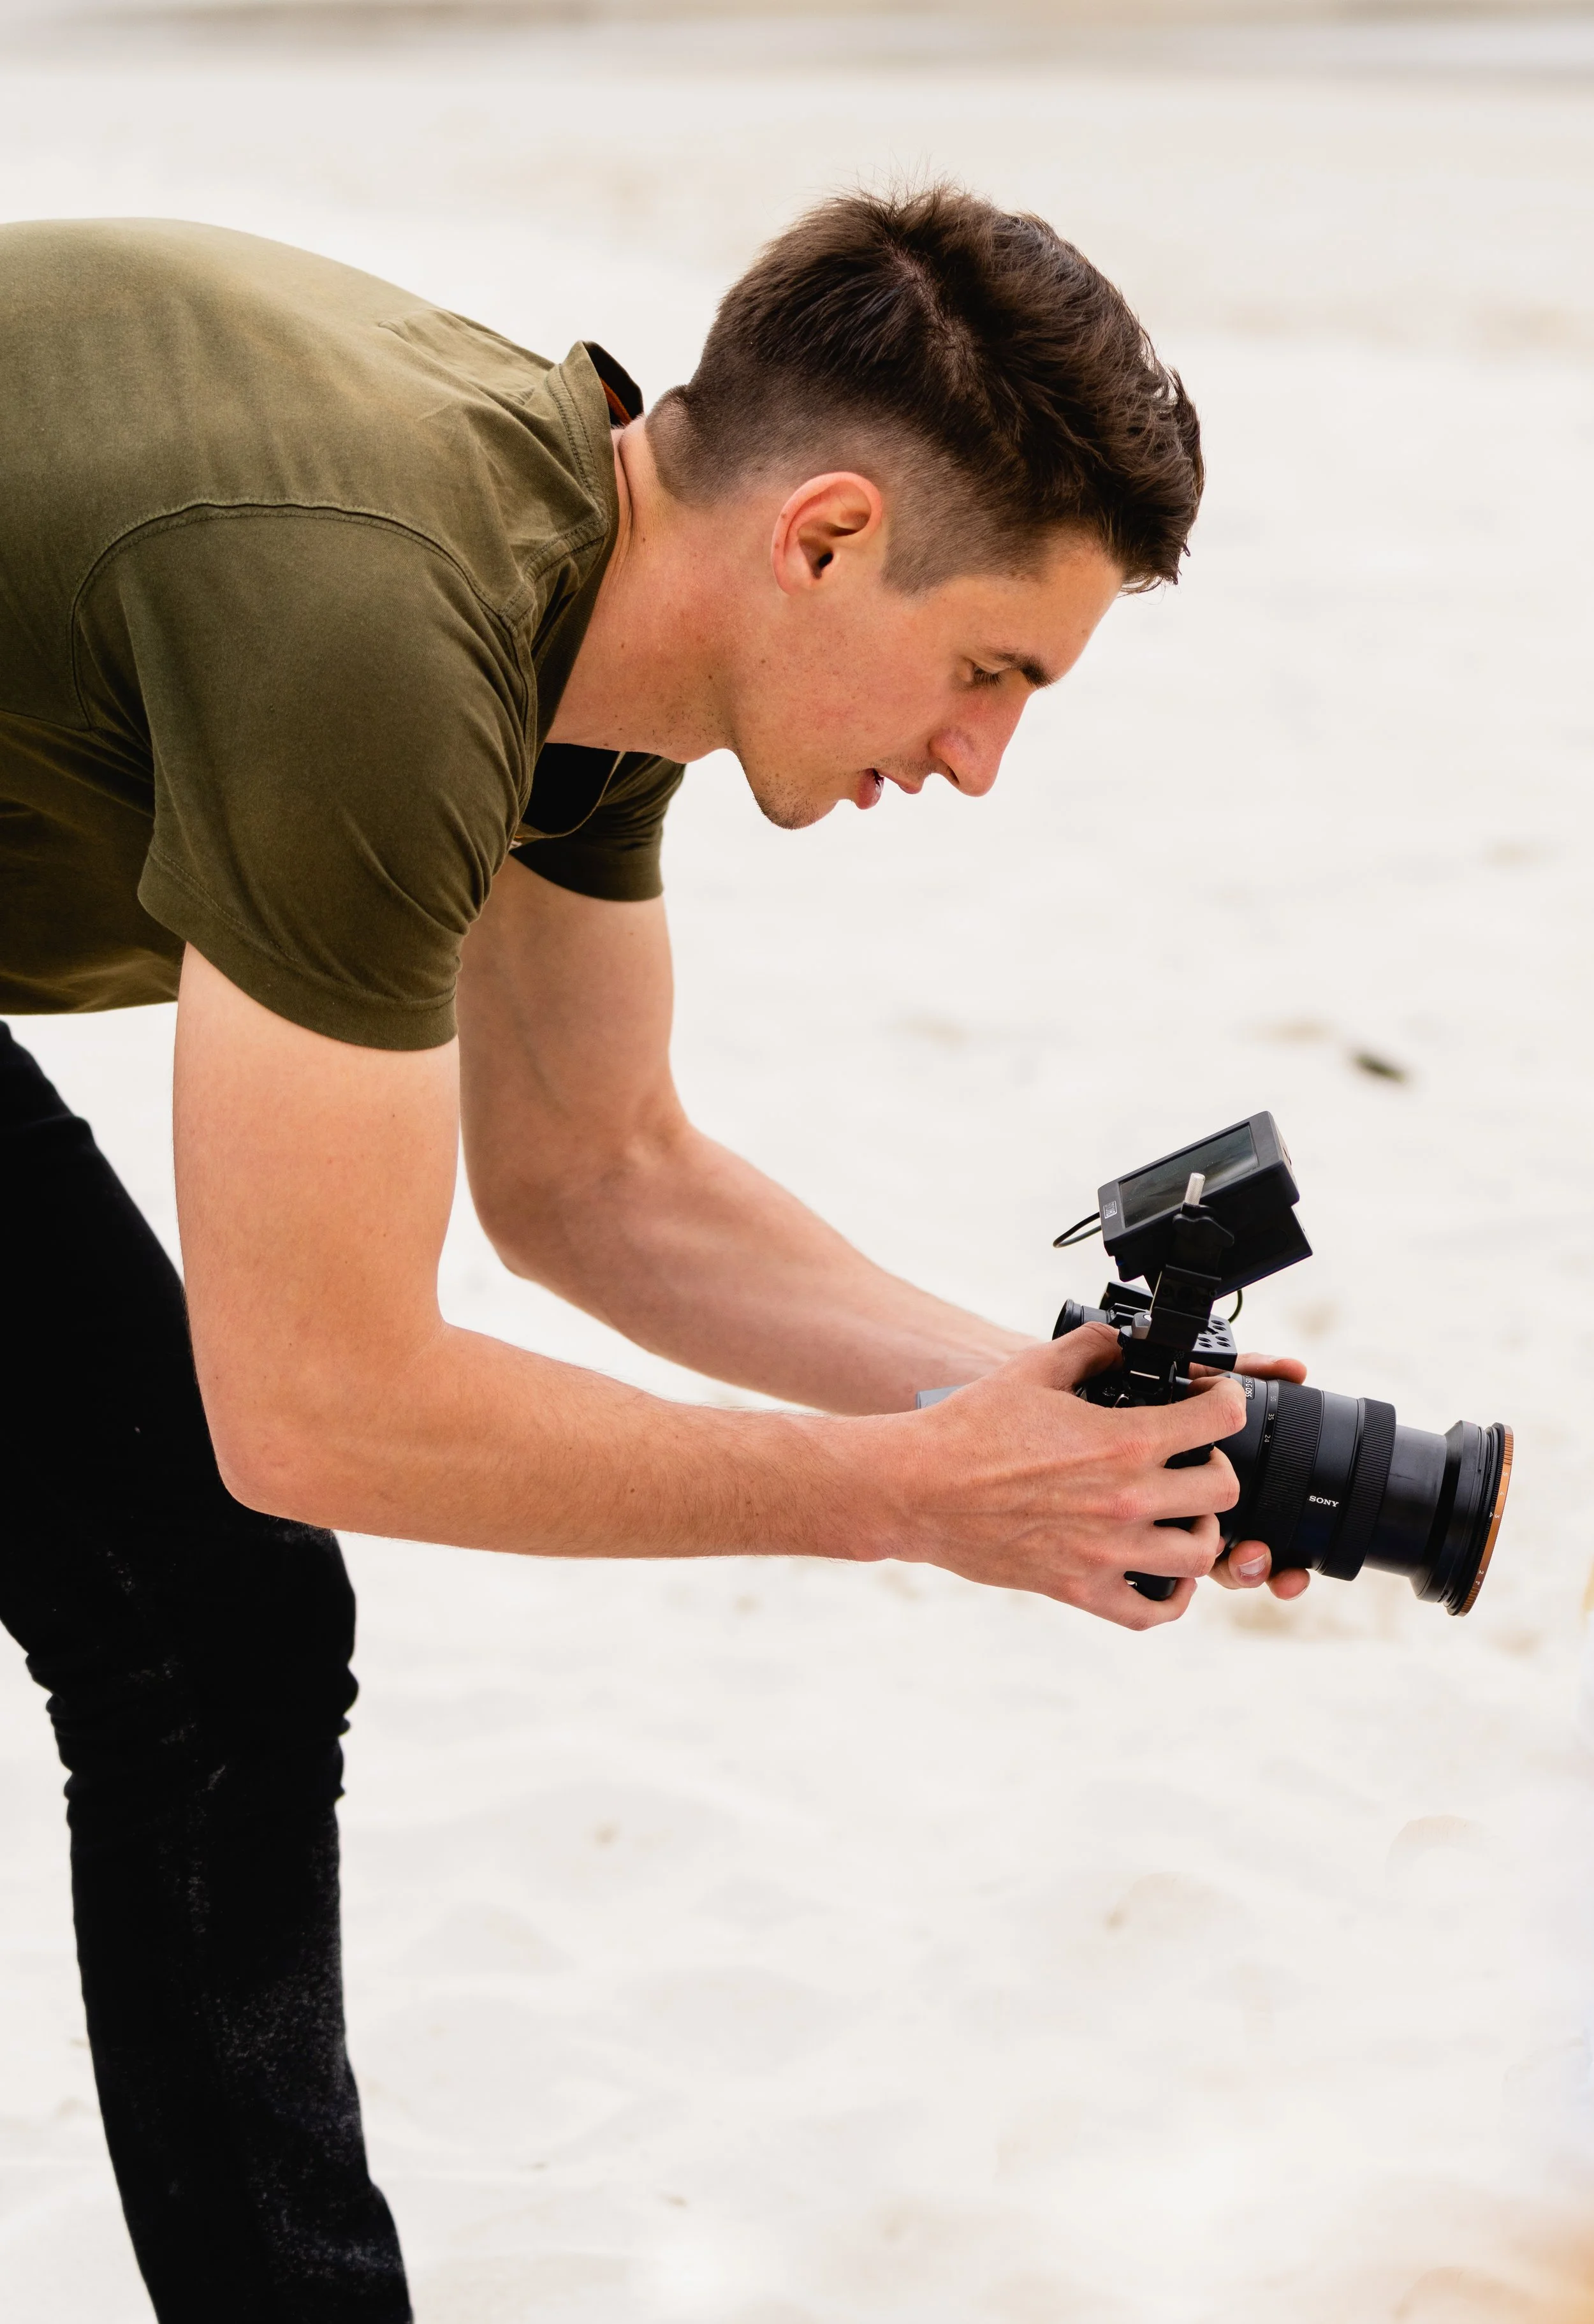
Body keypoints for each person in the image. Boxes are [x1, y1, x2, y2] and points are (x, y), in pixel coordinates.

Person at [0, 187, 1306, 2322]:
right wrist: (909, 1497)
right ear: (824, 537)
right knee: (201, 1606)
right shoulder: (379, 631)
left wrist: (1058, 1417)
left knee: (205, 1616)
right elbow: (311, 1405)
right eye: (989, 669)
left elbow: (602, 1178)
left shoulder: (574, 619)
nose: (980, 761)